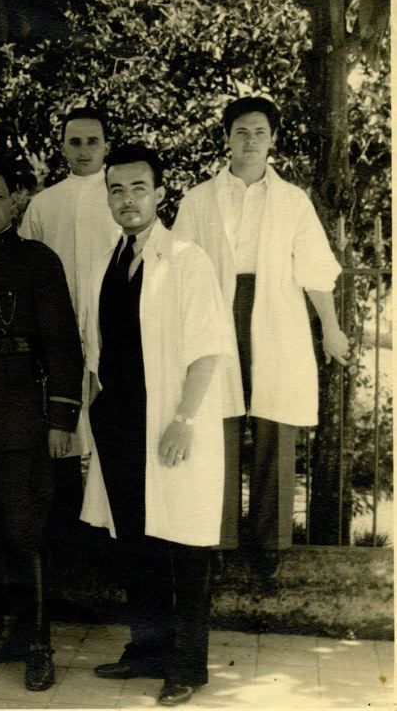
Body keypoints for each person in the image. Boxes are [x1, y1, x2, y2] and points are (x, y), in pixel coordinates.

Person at [81, 145, 234, 706]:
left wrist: (185, 420)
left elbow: (209, 350)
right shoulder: (106, 261)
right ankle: (146, 651)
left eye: (138, 187)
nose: (127, 199)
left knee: (183, 547)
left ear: (160, 193)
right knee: (136, 545)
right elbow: (97, 352)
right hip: (119, 424)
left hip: (170, 420)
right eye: (116, 190)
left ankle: (186, 667)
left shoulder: (187, 258)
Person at [173, 97, 348, 582]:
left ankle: (269, 544)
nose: (250, 140)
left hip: (275, 315)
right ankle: (219, 538)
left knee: (274, 422)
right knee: (217, 422)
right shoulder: (198, 199)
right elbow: (179, 270)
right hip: (215, 315)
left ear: (272, 140)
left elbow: (315, 270)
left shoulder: (292, 200)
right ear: (227, 138)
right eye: (241, 131)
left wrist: (330, 328)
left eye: (259, 132)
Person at [0, 163, 83, 692]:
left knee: (26, 531)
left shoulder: (37, 260)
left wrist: (60, 418)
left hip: (23, 412)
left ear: (16, 201)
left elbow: (62, 344)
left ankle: (39, 644)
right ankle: (8, 630)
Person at [18, 107, 120, 535]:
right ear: (62, 147)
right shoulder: (45, 203)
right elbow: (25, 266)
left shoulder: (120, 195)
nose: (83, 150)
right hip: (57, 335)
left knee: (108, 428)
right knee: (62, 431)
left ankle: (109, 531)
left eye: (92, 141)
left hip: (110, 330)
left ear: (106, 146)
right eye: (74, 142)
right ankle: (65, 530)